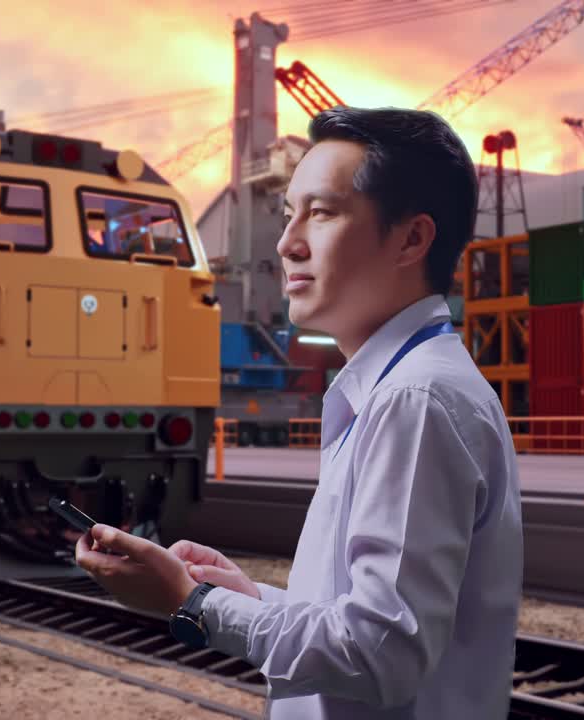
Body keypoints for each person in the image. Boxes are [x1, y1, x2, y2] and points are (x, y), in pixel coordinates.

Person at [76, 106, 524, 719]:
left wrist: (190, 602)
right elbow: (365, 620)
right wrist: (246, 597)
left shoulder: (414, 401)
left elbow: (379, 655)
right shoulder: (399, 388)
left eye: (323, 212)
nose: (287, 243)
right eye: (290, 214)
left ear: (412, 238)